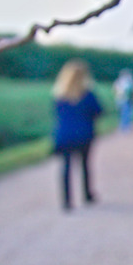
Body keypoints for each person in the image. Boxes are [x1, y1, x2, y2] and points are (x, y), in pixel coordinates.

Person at [52, 59, 103, 211]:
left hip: (65, 135)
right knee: (85, 165)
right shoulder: (87, 95)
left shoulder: (59, 96)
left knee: (66, 168)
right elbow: (99, 111)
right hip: (84, 134)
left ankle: (67, 201)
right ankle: (87, 194)